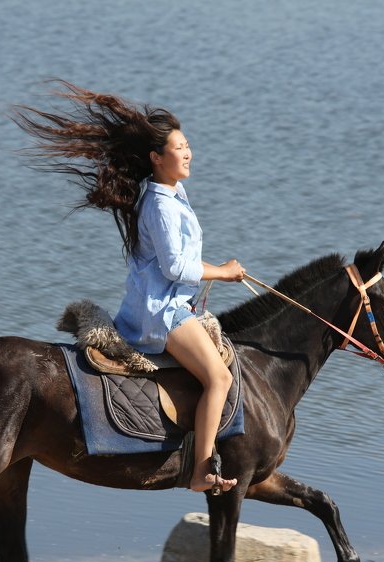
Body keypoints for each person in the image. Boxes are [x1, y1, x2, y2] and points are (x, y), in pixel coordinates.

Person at [12, 81, 244, 493]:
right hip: (163, 313)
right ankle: (201, 470)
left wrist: (217, 270)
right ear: (156, 158)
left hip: (173, 304)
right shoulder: (159, 204)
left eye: (188, 144)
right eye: (179, 148)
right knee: (218, 380)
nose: (188, 152)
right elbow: (174, 267)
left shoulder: (173, 193)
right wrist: (223, 272)